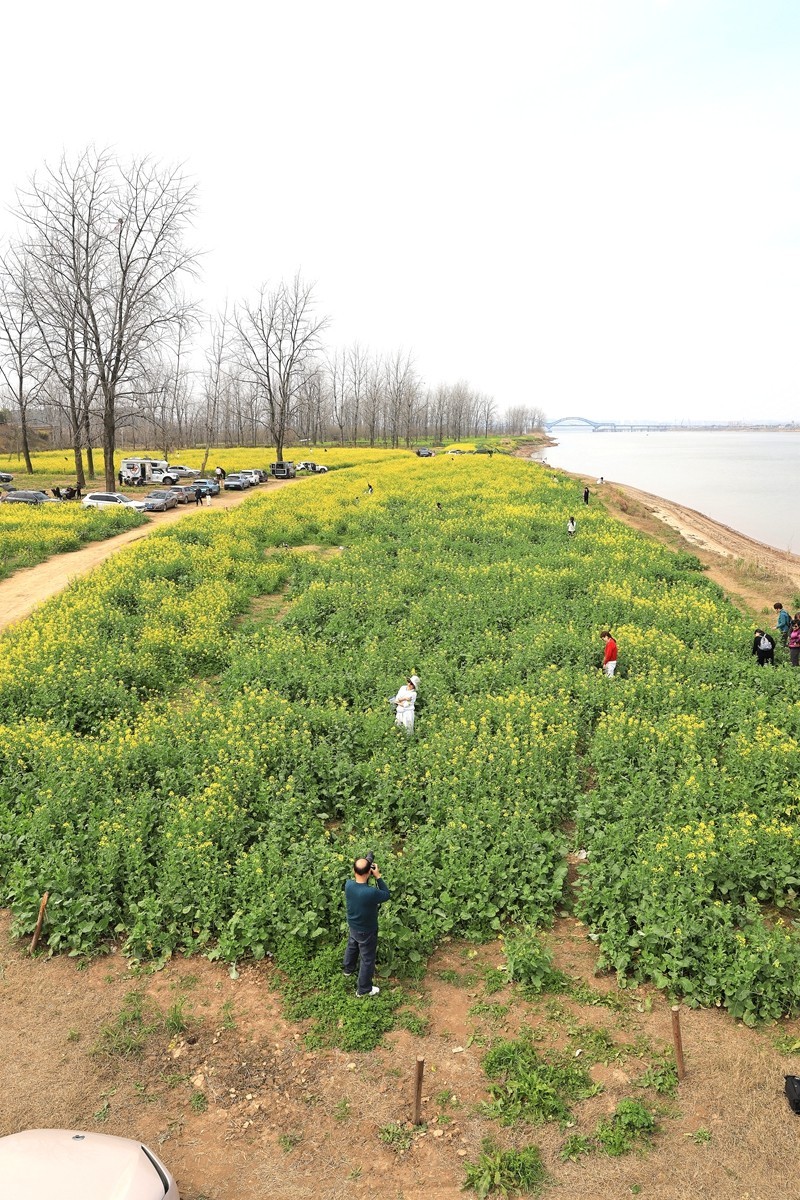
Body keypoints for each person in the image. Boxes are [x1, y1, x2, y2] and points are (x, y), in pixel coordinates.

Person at [343, 855, 390, 997]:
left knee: (352, 945)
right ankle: (363, 989)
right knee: (367, 959)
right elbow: (386, 894)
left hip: (353, 925)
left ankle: (348, 969)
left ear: (353, 870)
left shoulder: (348, 885)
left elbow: (358, 885)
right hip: (367, 930)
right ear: (369, 871)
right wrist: (378, 877)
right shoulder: (371, 892)